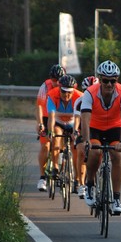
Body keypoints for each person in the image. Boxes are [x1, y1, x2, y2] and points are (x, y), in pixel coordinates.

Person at [79, 60, 121, 215]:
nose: (109, 84)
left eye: (113, 81)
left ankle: (116, 198)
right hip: (95, 127)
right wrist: (87, 140)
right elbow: (85, 119)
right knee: (94, 153)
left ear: (117, 80)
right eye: (105, 81)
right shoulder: (90, 92)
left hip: (114, 128)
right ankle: (89, 185)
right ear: (100, 79)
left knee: (117, 155)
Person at [47, 74, 83, 189]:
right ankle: (56, 168)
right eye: (63, 92)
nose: (66, 95)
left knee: (76, 149)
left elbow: (79, 117)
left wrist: (76, 131)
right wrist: (50, 131)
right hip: (58, 123)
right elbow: (51, 116)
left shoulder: (79, 97)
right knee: (56, 137)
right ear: (59, 89)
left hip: (73, 124)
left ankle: (77, 179)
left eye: (69, 92)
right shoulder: (52, 95)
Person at [36, 64, 65, 192]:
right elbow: (39, 107)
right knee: (46, 146)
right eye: (54, 79)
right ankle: (42, 177)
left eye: (59, 79)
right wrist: (40, 123)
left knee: (62, 147)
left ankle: (61, 171)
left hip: (62, 118)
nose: (56, 82)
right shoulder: (45, 87)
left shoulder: (68, 86)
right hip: (48, 117)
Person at [73, 76, 100, 198]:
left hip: (98, 130)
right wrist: (75, 131)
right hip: (83, 130)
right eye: (87, 91)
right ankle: (81, 183)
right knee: (81, 151)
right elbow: (78, 119)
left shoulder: (103, 99)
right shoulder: (79, 101)